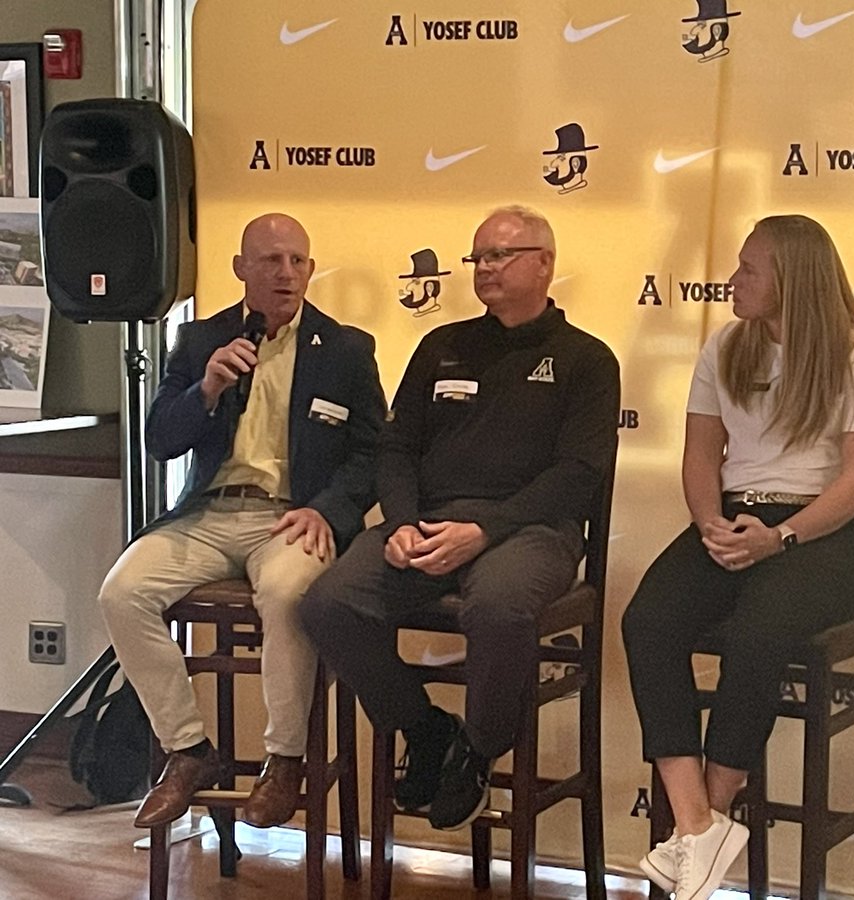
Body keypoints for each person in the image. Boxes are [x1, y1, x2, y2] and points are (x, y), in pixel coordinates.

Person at [299, 205, 620, 831]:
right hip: (429, 521)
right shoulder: (441, 345)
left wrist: (485, 532)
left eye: (500, 255)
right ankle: (425, 730)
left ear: (545, 264)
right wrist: (401, 524)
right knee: (328, 603)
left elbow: (577, 475)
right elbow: (396, 448)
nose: (485, 268)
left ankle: (476, 753)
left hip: (529, 531)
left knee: (498, 607)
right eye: (479, 257)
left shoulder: (587, 360)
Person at [622, 215, 854, 900]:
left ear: (792, 280)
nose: (732, 281)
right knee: (648, 621)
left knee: (759, 632)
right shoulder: (724, 346)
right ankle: (695, 825)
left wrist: (782, 537)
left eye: (749, 270)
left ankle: (708, 821)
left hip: (820, 532)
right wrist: (711, 523)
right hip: (735, 515)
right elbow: (699, 455)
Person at [98, 213, 386, 829]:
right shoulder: (202, 338)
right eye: (272, 261)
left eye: (298, 262)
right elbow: (159, 441)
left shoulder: (344, 349)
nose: (287, 274)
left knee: (286, 593)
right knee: (122, 593)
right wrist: (203, 390)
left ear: (310, 269)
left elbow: (373, 453)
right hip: (208, 515)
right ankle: (188, 751)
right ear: (241, 269)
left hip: (291, 519)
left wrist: (328, 512)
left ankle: (284, 760)